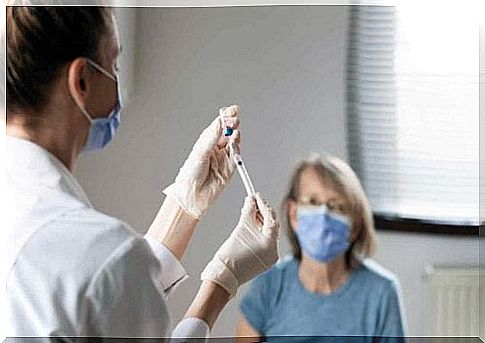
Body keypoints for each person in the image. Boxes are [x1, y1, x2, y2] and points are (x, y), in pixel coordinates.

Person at [5, 6, 280, 339]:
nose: (117, 81)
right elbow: (111, 277)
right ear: (81, 81)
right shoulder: (96, 252)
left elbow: (114, 295)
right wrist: (222, 281)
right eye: (113, 65)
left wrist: (185, 203)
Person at [236, 154, 406, 342]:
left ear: (355, 225)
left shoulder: (381, 291)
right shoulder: (269, 284)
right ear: (293, 214)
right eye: (312, 202)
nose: (324, 215)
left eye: (337, 207)